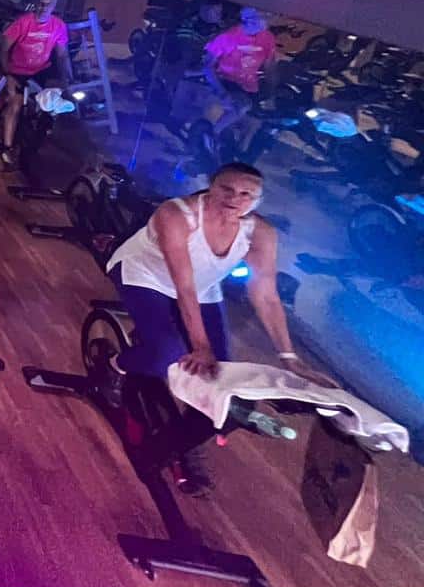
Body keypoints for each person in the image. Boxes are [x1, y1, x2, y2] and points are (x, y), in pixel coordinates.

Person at [105, 162, 334, 495]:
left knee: (219, 376)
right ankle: (116, 367)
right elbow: (183, 287)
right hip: (145, 275)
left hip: (203, 288)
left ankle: (181, 443)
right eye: (227, 189)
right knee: (166, 355)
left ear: (257, 200)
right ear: (210, 186)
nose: (235, 199)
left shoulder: (260, 233)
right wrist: (200, 346)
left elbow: (266, 296)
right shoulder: (177, 215)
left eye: (246, 194)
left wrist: (290, 359)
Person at [0, 0, 73, 170]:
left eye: (48, 5)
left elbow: (62, 55)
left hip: (41, 70)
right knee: (15, 104)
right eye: (41, 4)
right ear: (36, 4)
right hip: (18, 69)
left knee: (53, 102)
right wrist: (8, 75)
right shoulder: (23, 22)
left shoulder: (58, 25)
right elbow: (3, 49)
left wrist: (68, 79)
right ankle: (7, 148)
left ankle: (39, 139)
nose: (44, 8)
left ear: (53, 7)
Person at [202, 7, 277, 139]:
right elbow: (208, 66)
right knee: (241, 105)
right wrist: (221, 91)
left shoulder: (268, 38)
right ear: (249, 20)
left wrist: (271, 89)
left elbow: (270, 66)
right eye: (263, 17)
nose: (267, 21)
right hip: (227, 82)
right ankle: (211, 135)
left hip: (251, 88)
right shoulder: (227, 37)